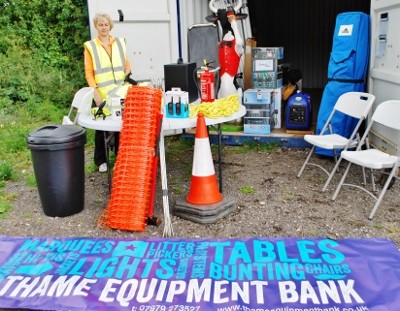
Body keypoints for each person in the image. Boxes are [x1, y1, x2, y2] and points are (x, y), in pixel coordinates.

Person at [84, 12, 132, 173]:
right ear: (96, 26)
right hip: (102, 94)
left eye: (106, 24)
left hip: (119, 93)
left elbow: (127, 66)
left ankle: (120, 158)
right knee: (101, 128)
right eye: (100, 24)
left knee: (120, 126)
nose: (103, 27)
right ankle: (101, 161)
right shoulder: (90, 46)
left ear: (110, 26)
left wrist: (124, 79)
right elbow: (89, 73)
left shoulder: (119, 43)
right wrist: (95, 92)